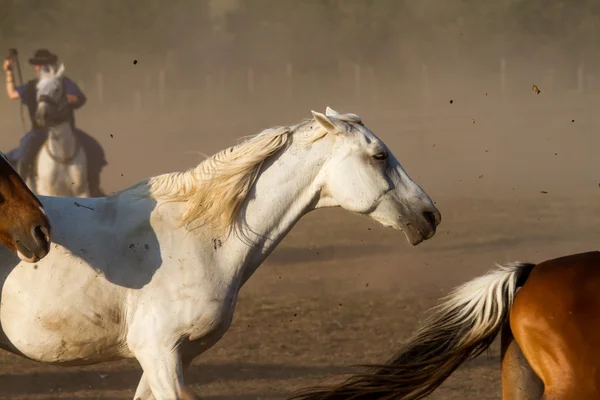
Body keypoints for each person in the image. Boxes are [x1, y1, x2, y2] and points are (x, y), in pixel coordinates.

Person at [3, 49, 106, 196]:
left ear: (51, 65)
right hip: (39, 131)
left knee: (94, 148)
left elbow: (79, 98)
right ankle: (21, 192)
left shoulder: (63, 82)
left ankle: (94, 188)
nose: (40, 67)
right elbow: (13, 93)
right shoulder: (32, 86)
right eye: (38, 64)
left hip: (65, 129)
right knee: (23, 154)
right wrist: (9, 72)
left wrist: (62, 98)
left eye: (44, 64)